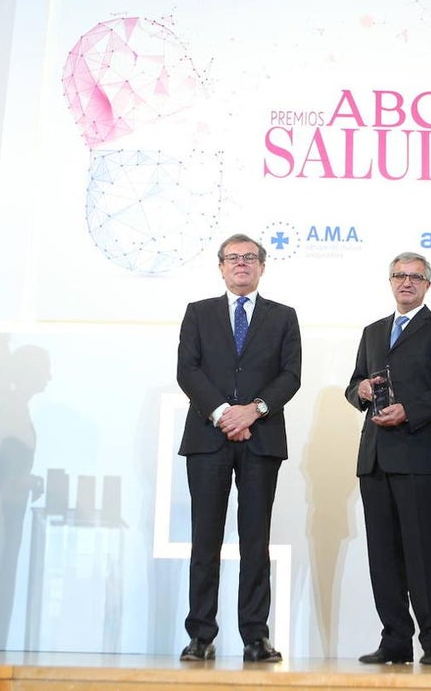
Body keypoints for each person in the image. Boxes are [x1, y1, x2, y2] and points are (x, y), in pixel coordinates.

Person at [176, 233, 302, 663]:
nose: (242, 264)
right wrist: (222, 413)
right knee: (204, 541)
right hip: (207, 439)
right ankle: (201, 635)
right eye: (233, 258)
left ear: (263, 266)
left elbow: (290, 375)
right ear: (221, 267)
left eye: (250, 258)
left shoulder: (283, 316)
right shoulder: (198, 313)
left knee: (255, 540)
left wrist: (254, 410)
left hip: (261, 437)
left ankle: (255, 636)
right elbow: (187, 370)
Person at [344, 252, 431, 665]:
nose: (406, 282)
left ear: (428, 284)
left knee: (425, 552)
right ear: (390, 281)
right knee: (384, 554)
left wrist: (409, 409)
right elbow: (353, 383)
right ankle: (395, 638)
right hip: (374, 457)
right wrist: (359, 391)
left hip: (419, 456)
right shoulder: (373, 331)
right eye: (399, 275)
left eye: (415, 277)